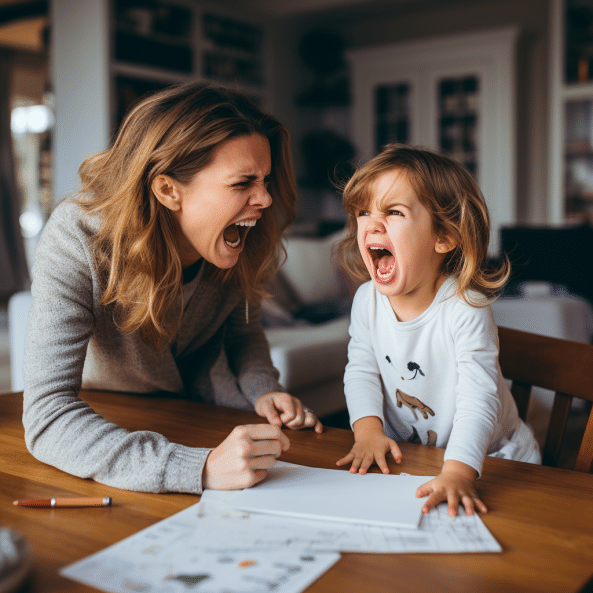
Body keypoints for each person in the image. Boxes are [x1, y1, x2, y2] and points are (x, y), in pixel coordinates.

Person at [22, 82, 322, 496]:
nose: (265, 199)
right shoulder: (77, 238)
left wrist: (264, 389)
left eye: (265, 180)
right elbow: (48, 416)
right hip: (110, 422)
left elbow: (241, 330)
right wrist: (194, 470)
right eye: (243, 183)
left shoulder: (236, 236)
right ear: (168, 189)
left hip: (201, 409)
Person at [335, 144, 540, 517]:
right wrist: (367, 433)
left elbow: (479, 399)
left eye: (393, 212)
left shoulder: (465, 307)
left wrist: (459, 472)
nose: (372, 223)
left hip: (491, 460)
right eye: (364, 212)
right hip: (417, 457)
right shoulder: (366, 300)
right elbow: (361, 369)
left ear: (443, 237)